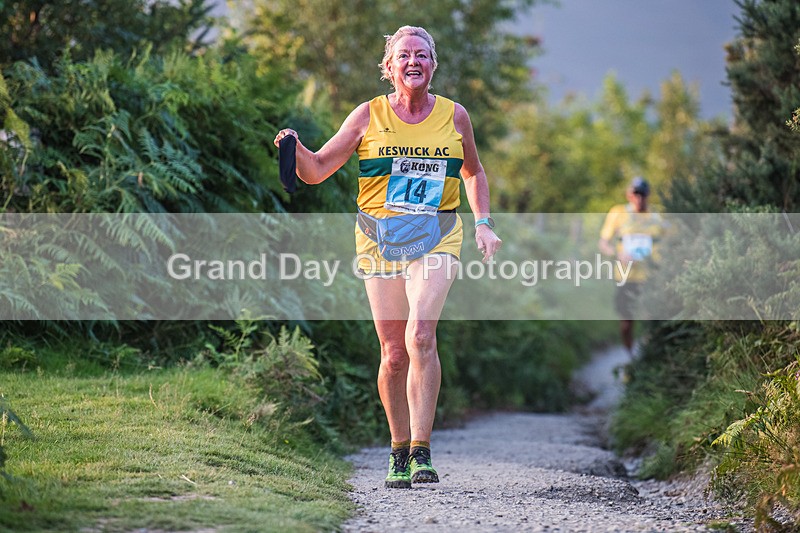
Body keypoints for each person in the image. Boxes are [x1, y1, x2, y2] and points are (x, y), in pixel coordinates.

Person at [273, 25, 501, 489]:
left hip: (437, 235)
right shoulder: (367, 116)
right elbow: (316, 170)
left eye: (422, 54)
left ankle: (421, 449)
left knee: (421, 335)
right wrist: (292, 149)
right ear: (389, 67)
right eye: (404, 56)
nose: (413, 62)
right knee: (394, 353)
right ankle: (398, 449)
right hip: (378, 239)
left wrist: (483, 223)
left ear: (433, 65)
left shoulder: (455, 117)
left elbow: (474, 172)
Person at [598, 177, 663, 355]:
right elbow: (603, 243)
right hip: (625, 277)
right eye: (636, 194)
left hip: (651, 277)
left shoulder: (657, 216)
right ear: (629, 195)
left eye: (643, 194)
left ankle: (651, 359)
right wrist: (617, 254)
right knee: (626, 323)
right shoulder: (618, 213)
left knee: (651, 320)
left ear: (648, 195)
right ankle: (630, 358)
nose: (639, 199)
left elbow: (672, 240)